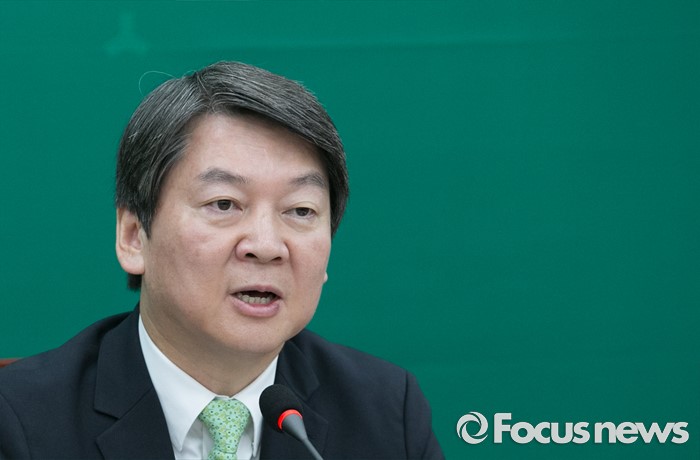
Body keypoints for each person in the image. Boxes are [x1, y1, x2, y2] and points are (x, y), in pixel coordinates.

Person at [0, 61, 443, 459]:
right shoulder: (19, 421)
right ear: (134, 236)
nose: (267, 245)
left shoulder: (387, 414)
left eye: (300, 211)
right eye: (224, 204)